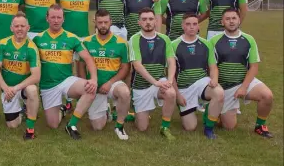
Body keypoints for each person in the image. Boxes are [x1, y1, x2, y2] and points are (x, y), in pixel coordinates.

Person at [33, 3, 98, 140]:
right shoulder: (37, 39)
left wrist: (93, 79)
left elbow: (88, 59)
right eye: (53, 17)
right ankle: (63, 109)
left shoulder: (72, 38)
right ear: (47, 18)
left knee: (90, 89)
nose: (56, 20)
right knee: (53, 124)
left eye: (59, 17)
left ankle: (71, 124)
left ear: (63, 19)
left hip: (66, 81)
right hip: (48, 85)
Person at [210, 8, 274, 138]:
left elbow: (254, 67)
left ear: (239, 20)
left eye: (234, 18)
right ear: (222, 22)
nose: (231, 21)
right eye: (227, 19)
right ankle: (216, 112)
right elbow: (212, 66)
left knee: (267, 95)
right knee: (229, 127)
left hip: (243, 82)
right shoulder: (214, 41)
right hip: (225, 87)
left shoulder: (249, 39)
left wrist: (244, 87)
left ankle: (260, 126)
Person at [171, 13, 224, 139]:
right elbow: (170, 74)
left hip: (202, 82)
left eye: (194, 24)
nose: (191, 27)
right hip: (184, 88)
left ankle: (209, 128)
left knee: (219, 93)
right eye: (188, 24)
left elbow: (213, 67)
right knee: (190, 127)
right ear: (183, 26)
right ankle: (195, 108)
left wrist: (214, 79)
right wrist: (178, 95)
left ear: (198, 26)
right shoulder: (173, 45)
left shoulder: (206, 43)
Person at [128, 7, 177, 140]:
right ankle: (134, 115)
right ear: (139, 22)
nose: (147, 22)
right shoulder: (134, 39)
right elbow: (137, 65)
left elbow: (171, 62)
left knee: (171, 93)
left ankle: (165, 127)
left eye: (150, 19)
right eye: (144, 19)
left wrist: (170, 81)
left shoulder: (164, 39)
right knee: (142, 128)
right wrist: (155, 82)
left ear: (156, 21)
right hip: (141, 86)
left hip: (159, 82)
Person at [0, 12, 41, 140]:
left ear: (28, 28)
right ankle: (23, 111)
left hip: (21, 88)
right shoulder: (2, 44)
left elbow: (36, 77)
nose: (19, 29)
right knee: (12, 125)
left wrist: (16, 88)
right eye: (16, 26)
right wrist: (6, 88)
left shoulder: (31, 47)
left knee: (32, 90)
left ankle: (30, 128)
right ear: (11, 28)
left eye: (22, 26)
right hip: (8, 89)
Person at [82, 9, 131, 140]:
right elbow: (80, 65)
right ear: (95, 23)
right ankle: (107, 110)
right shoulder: (86, 42)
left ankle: (120, 126)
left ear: (111, 22)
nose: (103, 25)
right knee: (97, 127)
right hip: (94, 86)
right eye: (100, 22)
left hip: (113, 84)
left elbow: (125, 68)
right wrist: (84, 84)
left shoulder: (122, 43)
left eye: (105, 22)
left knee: (125, 93)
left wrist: (110, 83)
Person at [57, 0, 94, 77]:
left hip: (83, 34)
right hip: (65, 35)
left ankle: (81, 89)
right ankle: (67, 90)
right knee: (66, 63)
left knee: (81, 64)